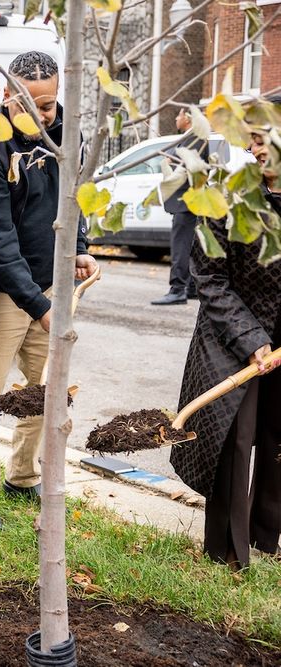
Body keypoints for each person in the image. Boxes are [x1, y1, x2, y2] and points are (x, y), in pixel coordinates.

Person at [0, 51, 98, 531]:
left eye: (47, 106)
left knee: (46, 392)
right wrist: (39, 304)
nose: (39, 116)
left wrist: (81, 247)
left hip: (45, 283)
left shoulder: (63, 135)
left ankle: (24, 477)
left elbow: (75, 197)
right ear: (5, 94)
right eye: (27, 104)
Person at [170, 102, 281, 569]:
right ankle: (226, 553)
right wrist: (253, 339)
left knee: (278, 444)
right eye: (251, 140)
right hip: (230, 338)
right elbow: (208, 276)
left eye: (261, 141)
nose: (252, 150)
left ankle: (265, 540)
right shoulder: (230, 196)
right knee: (234, 444)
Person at [151, 107, 209, 305]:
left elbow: (189, 170)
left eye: (178, 114)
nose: (176, 118)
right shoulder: (193, 138)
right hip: (190, 202)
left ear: (187, 118)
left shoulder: (194, 138)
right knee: (191, 246)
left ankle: (177, 289)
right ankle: (191, 287)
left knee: (181, 246)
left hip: (186, 202)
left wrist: (168, 163)